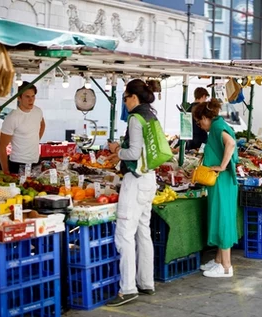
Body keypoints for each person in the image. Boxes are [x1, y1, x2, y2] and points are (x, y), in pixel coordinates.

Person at [106, 79, 157, 306]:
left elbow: (134, 152)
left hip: (135, 180)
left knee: (124, 233)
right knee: (143, 231)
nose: (125, 103)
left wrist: (117, 150)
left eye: (125, 98)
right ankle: (146, 282)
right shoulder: (151, 116)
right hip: (149, 179)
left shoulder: (136, 118)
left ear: (133, 97)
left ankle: (127, 288)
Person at [192, 98, 239, 278]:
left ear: (206, 117)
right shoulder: (218, 125)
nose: (200, 125)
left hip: (223, 181)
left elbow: (231, 143)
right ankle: (219, 260)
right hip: (222, 182)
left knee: (223, 220)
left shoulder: (217, 127)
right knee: (222, 217)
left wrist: (222, 165)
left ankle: (226, 266)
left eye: (199, 121)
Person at [0, 82, 45, 174]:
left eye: (33, 96)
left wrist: (35, 140)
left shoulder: (38, 111)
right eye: (27, 97)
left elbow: (42, 125)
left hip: (35, 161)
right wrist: (5, 170)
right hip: (17, 163)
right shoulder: (12, 117)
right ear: (19, 98)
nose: (31, 100)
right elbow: (2, 147)